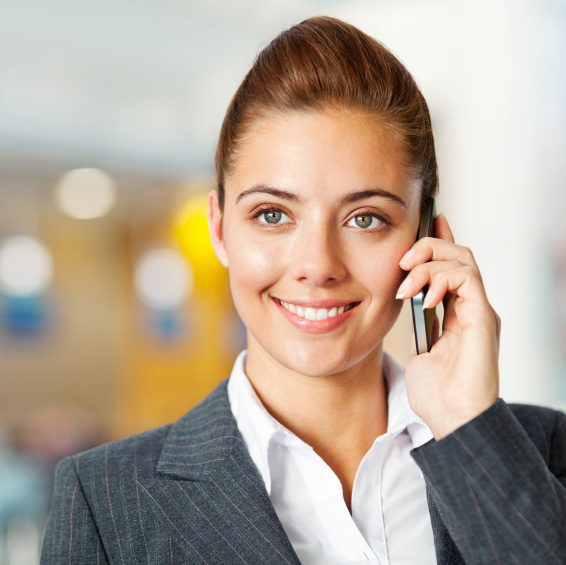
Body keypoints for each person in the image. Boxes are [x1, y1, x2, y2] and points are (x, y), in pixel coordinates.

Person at [40, 16, 566, 565]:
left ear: (428, 237)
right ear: (219, 229)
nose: (317, 266)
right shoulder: (106, 501)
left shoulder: (542, 452)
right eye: (272, 215)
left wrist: (467, 426)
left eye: (365, 219)